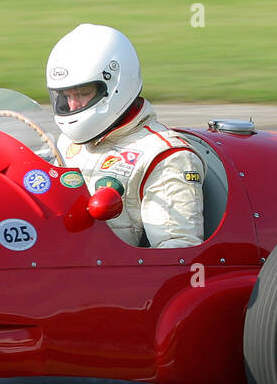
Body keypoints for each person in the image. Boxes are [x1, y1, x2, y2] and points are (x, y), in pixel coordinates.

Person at [47, 23, 204, 248]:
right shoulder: (68, 141)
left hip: (102, 275)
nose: (72, 105)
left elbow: (176, 252)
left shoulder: (165, 156)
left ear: (114, 85)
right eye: (65, 95)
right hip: (58, 256)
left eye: (82, 93)